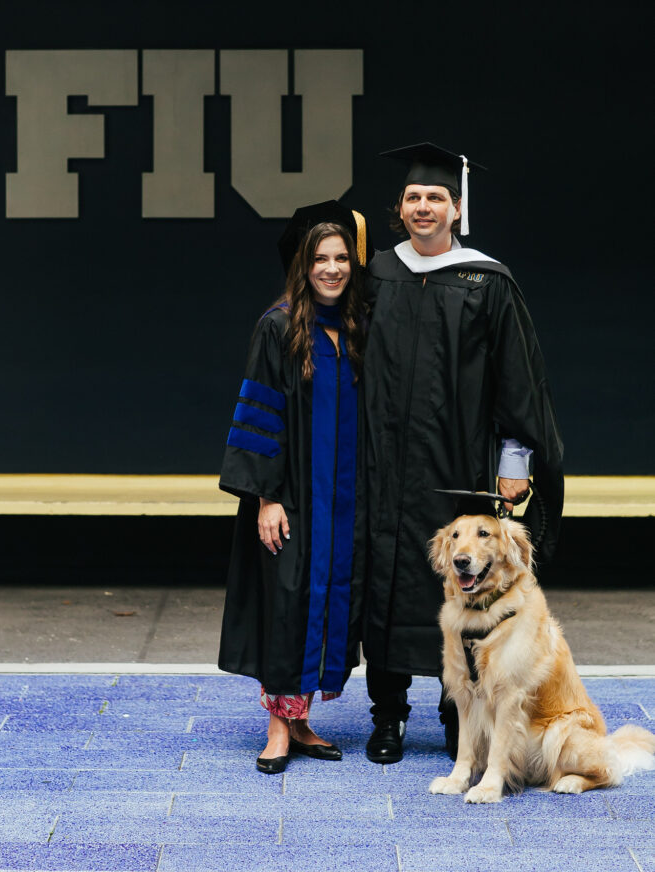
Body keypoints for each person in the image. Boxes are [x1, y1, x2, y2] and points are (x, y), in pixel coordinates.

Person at [362, 140, 564, 764]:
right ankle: (388, 715)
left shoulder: (488, 281)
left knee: (463, 585)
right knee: (387, 586)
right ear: (400, 208)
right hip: (384, 469)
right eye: (414, 197)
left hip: (459, 468)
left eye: (436, 198)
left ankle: (460, 718)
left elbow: (518, 384)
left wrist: (513, 467)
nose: (424, 207)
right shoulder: (378, 275)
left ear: (456, 208)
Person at [218, 201, 371, 774]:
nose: (331, 269)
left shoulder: (356, 328)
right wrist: (267, 498)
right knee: (287, 605)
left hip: (344, 502)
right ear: (302, 267)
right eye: (320, 260)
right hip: (295, 500)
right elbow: (262, 415)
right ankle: (278, 729)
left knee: (327, 602)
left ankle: (302, 720)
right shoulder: (279, 326)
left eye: (340, 259)